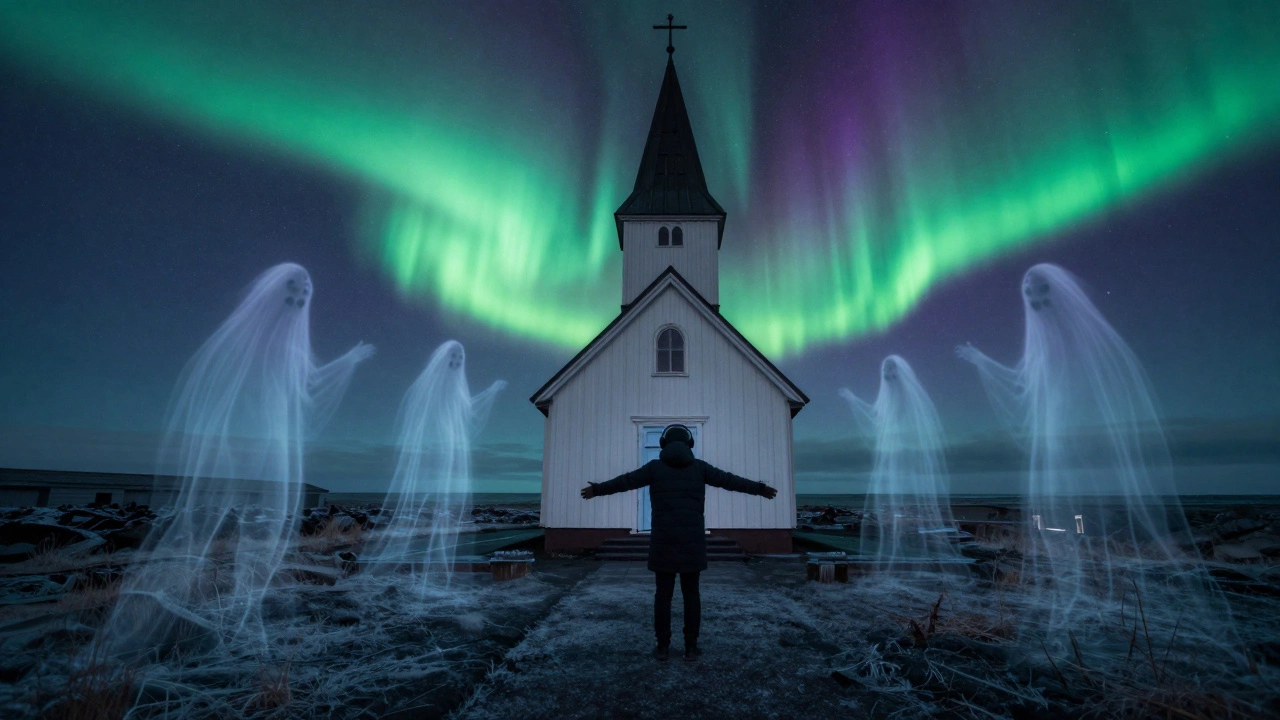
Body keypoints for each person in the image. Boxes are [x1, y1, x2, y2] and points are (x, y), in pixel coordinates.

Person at [580, 424, 778, 662]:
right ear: (689, 444)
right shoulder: (700, 468)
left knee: (663, 595)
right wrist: (760, 489)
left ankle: (663, 648)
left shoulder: (654, 468)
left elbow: (625, 481)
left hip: (663, 542)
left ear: (664, 444)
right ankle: (691, 648)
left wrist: (597, 490)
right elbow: (730, 480)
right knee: (691, 594)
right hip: (692, 543)